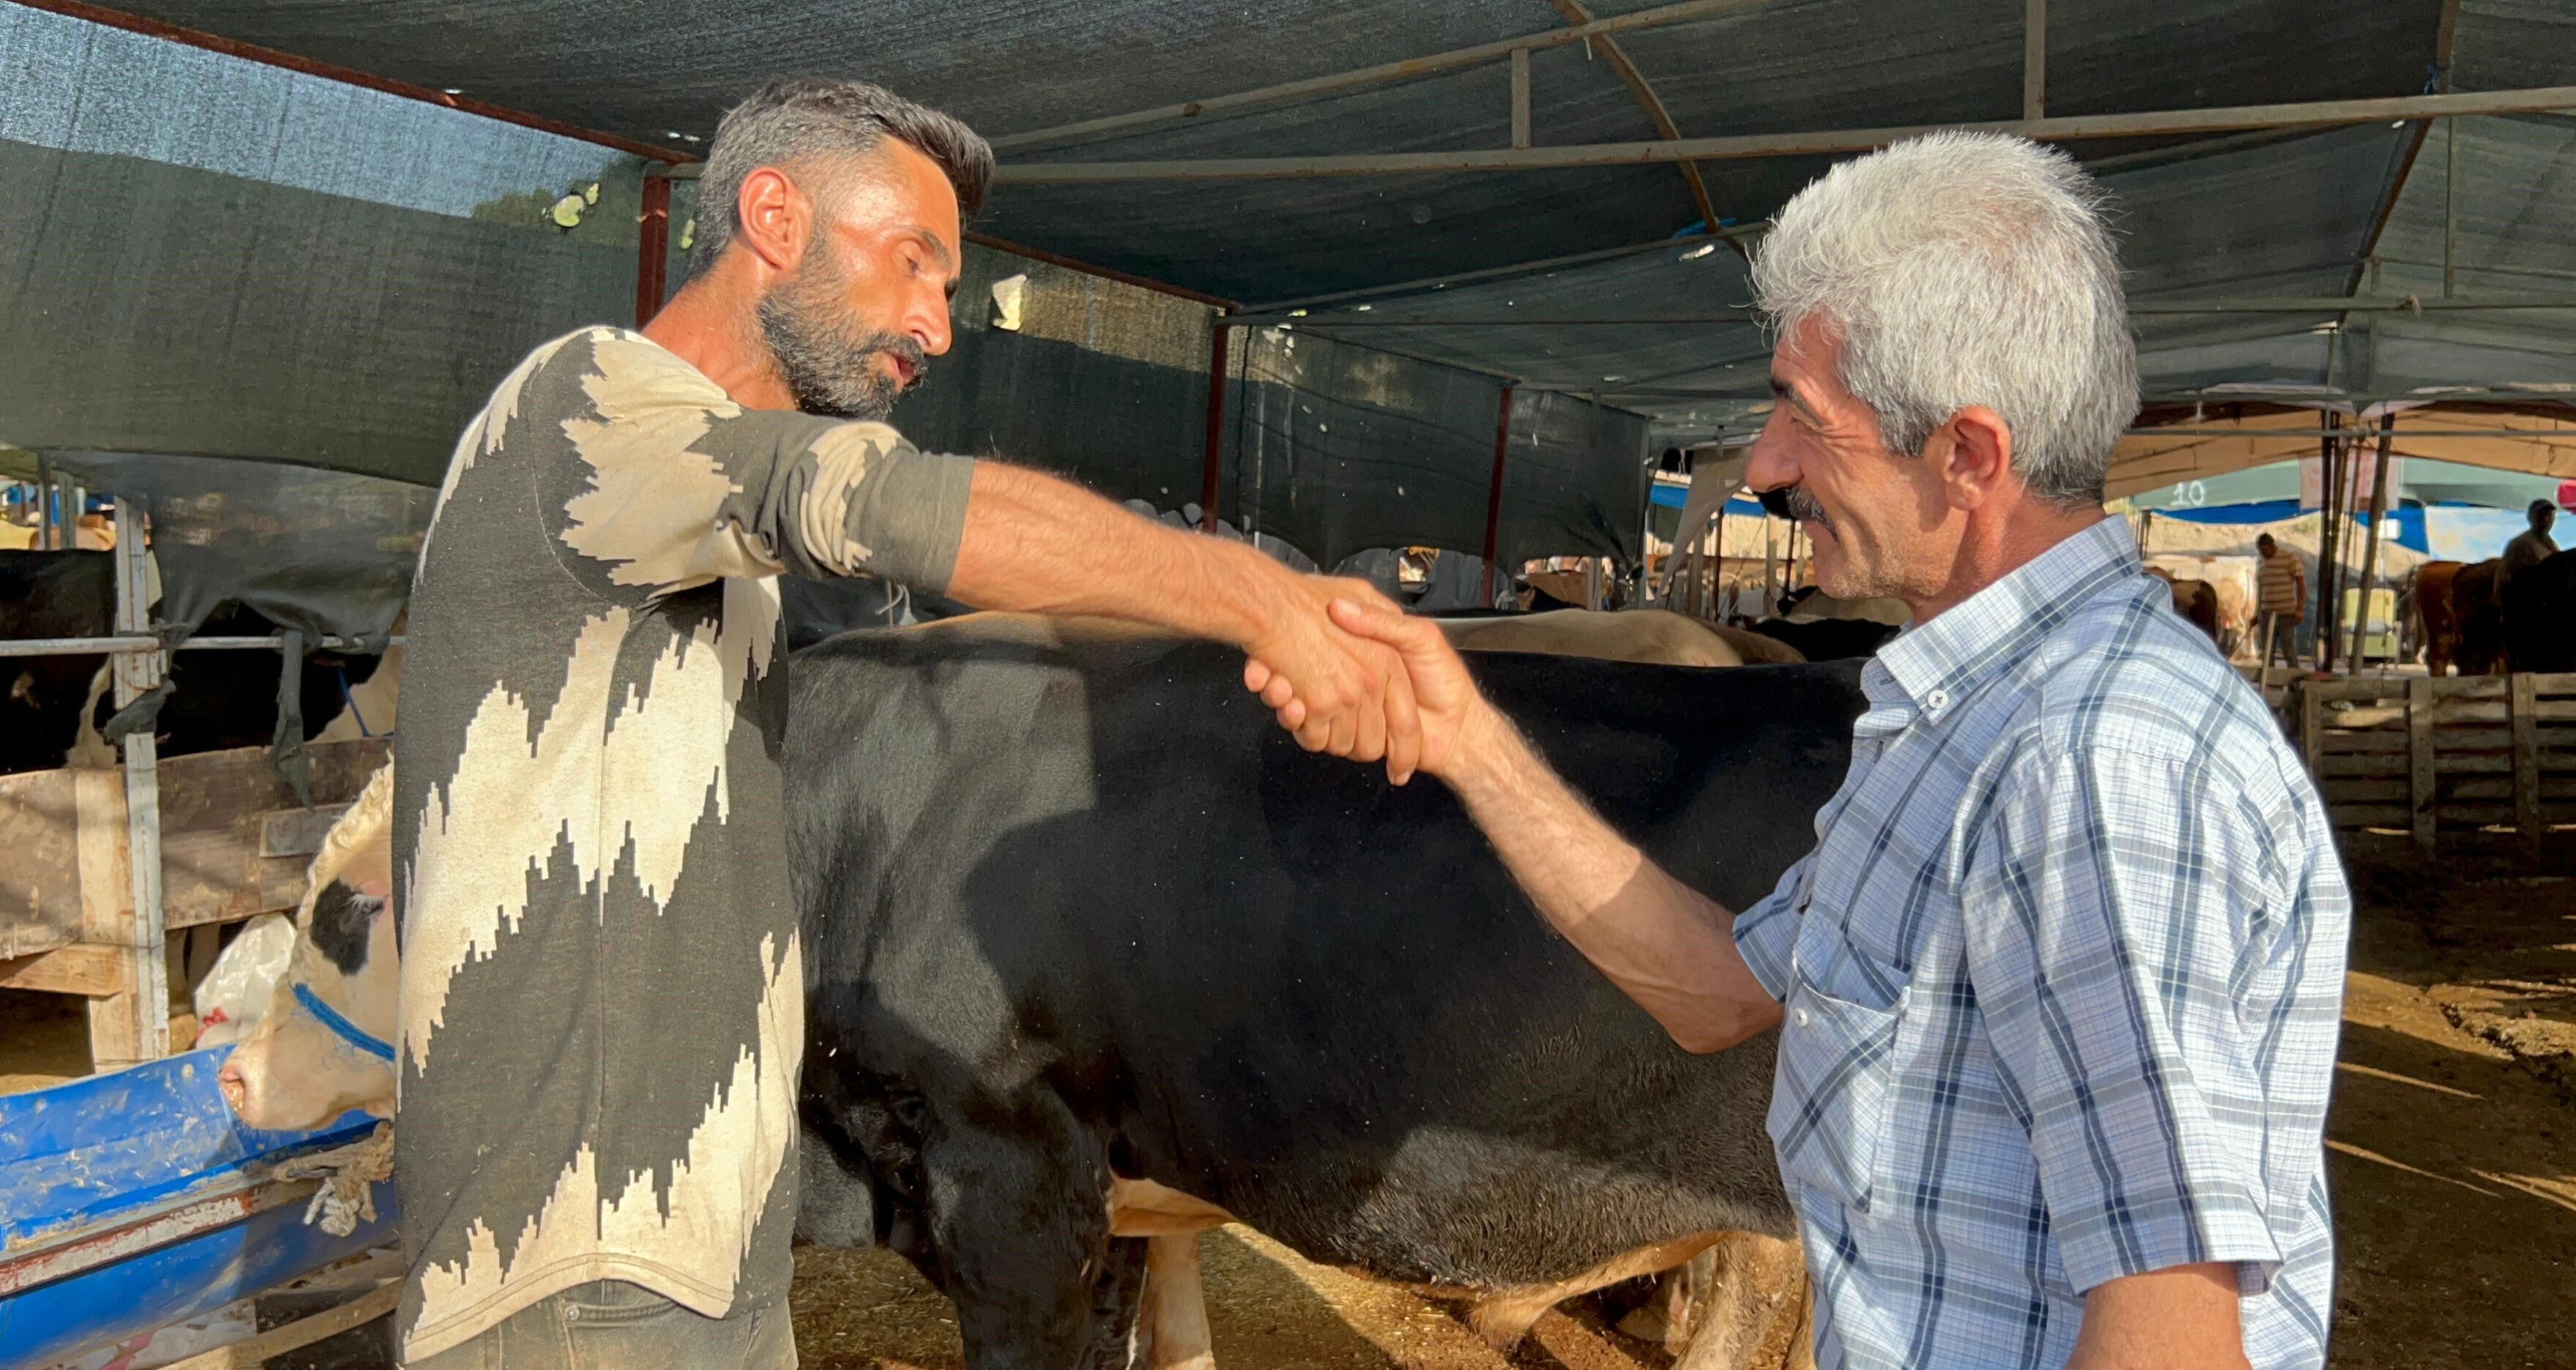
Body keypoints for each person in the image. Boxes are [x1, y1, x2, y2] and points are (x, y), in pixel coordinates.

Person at [393, 78, 1418, 1369]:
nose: (936, 325)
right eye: (910, 263)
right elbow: (892, 506)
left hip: (687, 1252)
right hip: (574, 1258)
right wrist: (1262, 600)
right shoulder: (589, 409)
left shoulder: (704, 534)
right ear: (774, 216)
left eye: (950, 287)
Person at [1325, 133, 2349, 1370]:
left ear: (1967, 458)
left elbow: (2168, 1335)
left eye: (1806, 419)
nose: (1763, 463)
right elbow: (1724, 990)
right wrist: (1467, 735)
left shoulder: (2091, 764)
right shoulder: (1964, 720)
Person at [2255, 532, 2305, 670]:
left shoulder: (2290, 558)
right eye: (2260, 551)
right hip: (2266, 613)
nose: (2263, 554)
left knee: (2288, 650)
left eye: (2265, 550)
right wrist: (2256, 614)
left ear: (2272, 546)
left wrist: (2299, 609)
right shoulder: (2260, 562)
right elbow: (2260, 590)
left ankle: (2294, 683)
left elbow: (2301, 585)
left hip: (2286, 612)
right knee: (2267, 653)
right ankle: (2269, 683)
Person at [2497, 498, 2559, 599]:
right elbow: (2507, 583)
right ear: (2532, 517)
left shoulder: (2551, 545)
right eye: (2542, 516)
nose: (2547, 520)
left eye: (2550, 516)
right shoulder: (2519, 545)